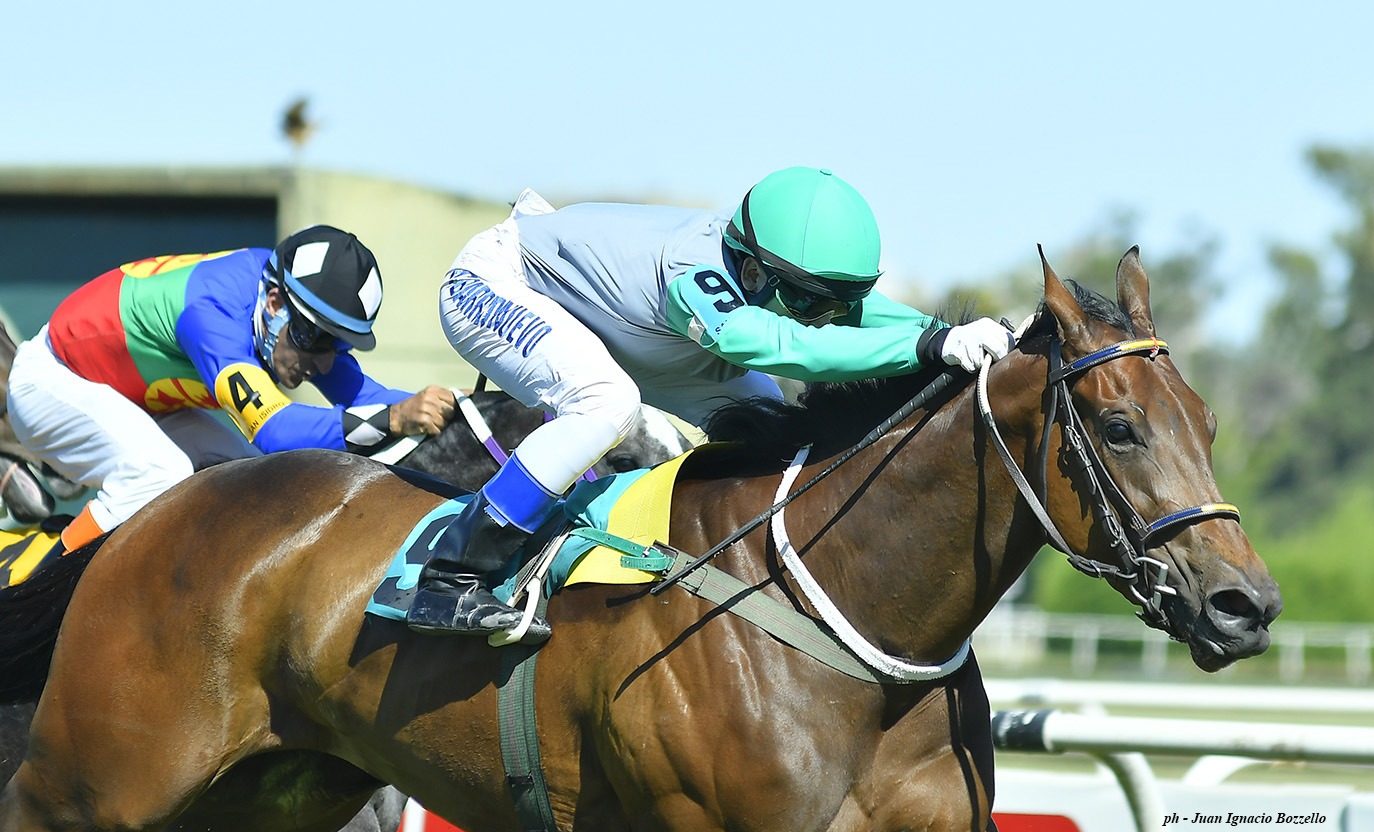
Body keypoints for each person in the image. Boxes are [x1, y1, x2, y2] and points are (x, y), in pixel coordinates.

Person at [406, 166, 1015, 637]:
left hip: (626, 327)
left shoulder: (769, 265)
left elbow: (865, 314)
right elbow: (781, 346)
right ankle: (450, 575)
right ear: (751, 271)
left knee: (767, 420)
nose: (820, 317)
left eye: (833, 303)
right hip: (497, 283)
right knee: (606, 404)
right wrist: (928, 346)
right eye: (808, 302)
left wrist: (956, 334)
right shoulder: (692, 273)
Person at [8, 225, 458, 555]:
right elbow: (276, 430)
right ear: (276, 304)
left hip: (133, 398)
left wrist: (463, 413)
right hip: (52, 381)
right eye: (316, 339)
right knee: (159, 472)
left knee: (253, 480)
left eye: (338, 344)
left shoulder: (285, 306)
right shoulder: (211, 315)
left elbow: (369, 399)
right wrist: (395, 418)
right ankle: (40, 590)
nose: (323, 362)